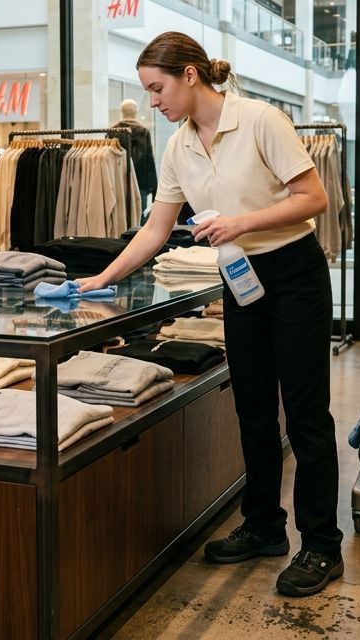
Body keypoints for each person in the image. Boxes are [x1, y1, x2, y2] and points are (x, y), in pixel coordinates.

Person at [77, 31, 344, 597]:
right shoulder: (179, 146)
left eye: (158, 87)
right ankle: (265, 526)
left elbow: (314, 198)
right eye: (148, 91)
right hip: (240, 277)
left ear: (189, 75)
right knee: (251, 408)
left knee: (304, 413)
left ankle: (321, 546)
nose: (153, 100)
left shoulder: (261, 120)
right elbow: (155, 229)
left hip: (293, 272)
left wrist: (241, 223)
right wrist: (100, 279)